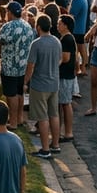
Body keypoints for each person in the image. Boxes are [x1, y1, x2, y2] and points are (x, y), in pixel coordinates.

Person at [24, 14, 61, 158]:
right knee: (54, 114)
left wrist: (26, 82)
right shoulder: (57, 41)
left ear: (38, 27)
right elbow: (58, 60)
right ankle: (55, 144)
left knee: (42, 117)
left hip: (40, 85)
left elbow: (30, 66)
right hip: (54, 83)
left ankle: (45, 149)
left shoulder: (37, 44)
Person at [0, 2, 35, 130]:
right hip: (23, 65)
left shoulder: (8, 27)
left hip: (10, 66)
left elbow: (0, 40)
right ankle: (19, 118)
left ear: (10, 12)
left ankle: (12, 122)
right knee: (19, 93)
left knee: (11, 95)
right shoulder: (27, 26)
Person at [55, 15, 77, 143]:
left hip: (65, 75)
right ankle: (62, 130)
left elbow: (65, 58)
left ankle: (68, 132)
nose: (58, 26)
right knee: (63, 103)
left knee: (65, 103)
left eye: (59, 24)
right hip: (66, 75)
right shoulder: (65, 38)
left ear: (65, 25)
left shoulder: (67, 39)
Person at [68, 0, 90, 76]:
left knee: (77, 49)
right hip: (81, 27)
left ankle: (79, 68)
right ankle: (83, 67)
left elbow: (71, 15)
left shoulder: (77, 0)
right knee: (81, 48)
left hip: (76, 28)